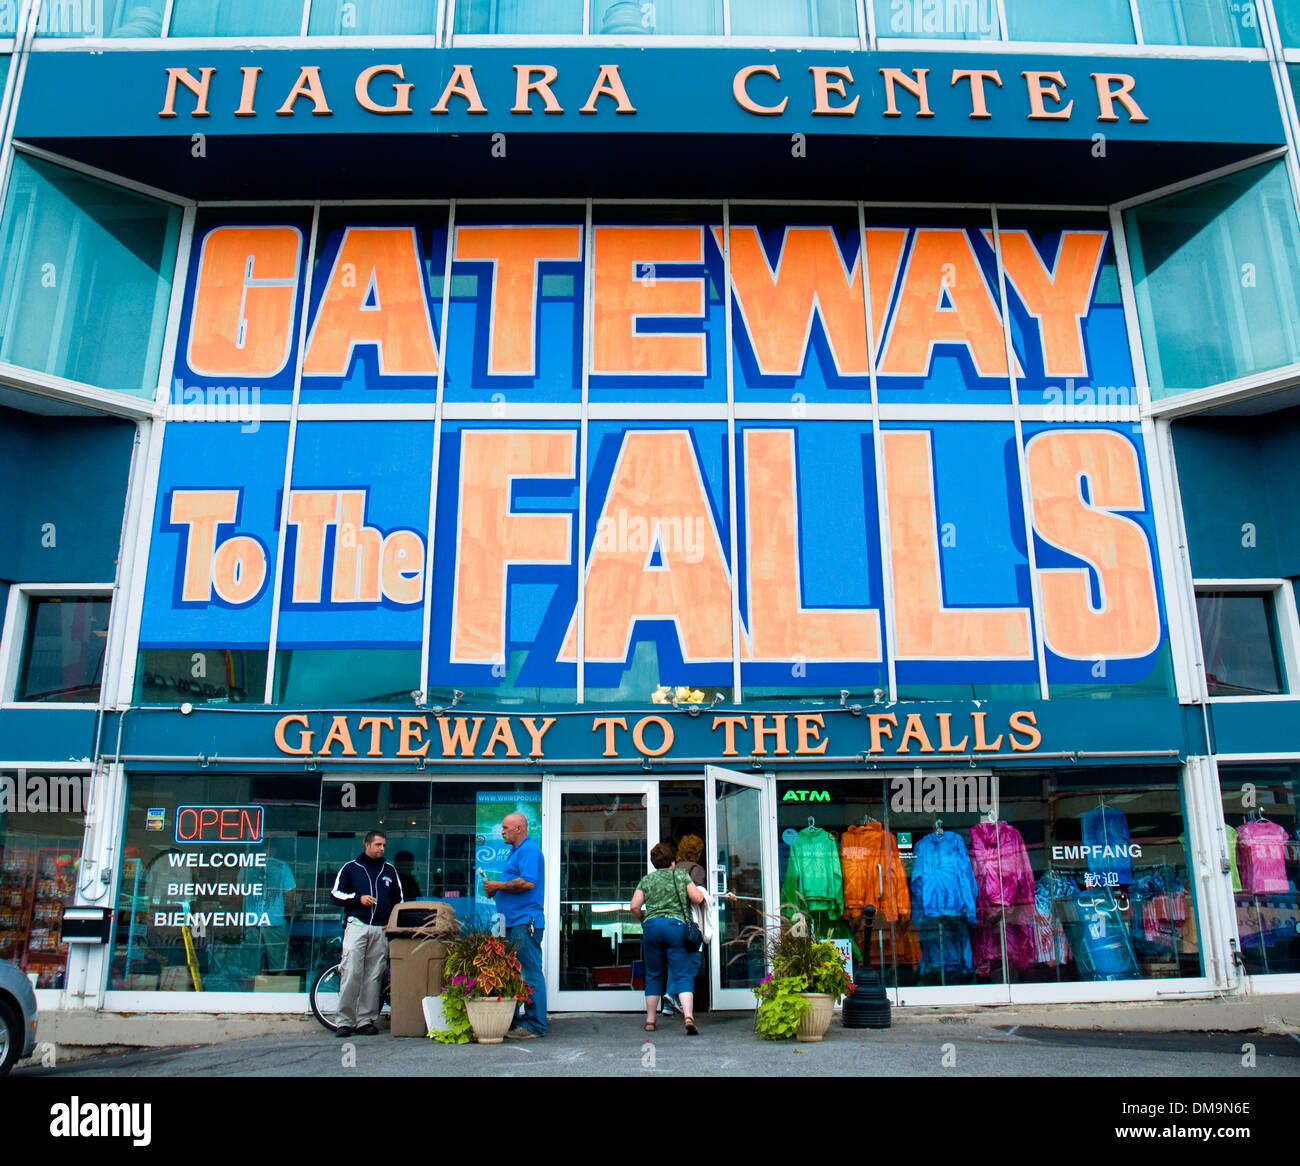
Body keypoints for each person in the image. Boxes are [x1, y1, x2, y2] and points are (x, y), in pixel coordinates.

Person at [330, 829, 404, 1038]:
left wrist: (392, 923)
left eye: (384, 845)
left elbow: (399, 900)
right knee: (351, 971)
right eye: (378, 845)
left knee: (373, 975)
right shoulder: (351, 868)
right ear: (367, 844)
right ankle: (344, 1021)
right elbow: (335, 895)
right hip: (358, 924)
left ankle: (366, 1020)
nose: (382, 849)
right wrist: (358, 899)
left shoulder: (389, 870)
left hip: (380, 928)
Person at [631, 841, 706, 1035]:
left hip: (652, 927)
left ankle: (650, 1020)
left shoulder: (647, 880)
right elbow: (697, 898)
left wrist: (644, 920)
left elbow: (634, 906)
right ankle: (688, 1016)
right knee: (681, 972)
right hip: (675, 927)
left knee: (654, 973)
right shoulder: (681, 875)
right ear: (673, 859)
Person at [482, 812, 546, 1038]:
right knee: (516, 973)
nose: (502, 831)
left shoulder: (528, 850)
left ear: (520, 828)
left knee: (529, 972)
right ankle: (517, 1021)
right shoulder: (516, 852)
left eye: (506, 828)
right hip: (513, 920)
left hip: (523, 920)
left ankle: (534, 1025)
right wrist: (497, 889)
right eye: (502, 827)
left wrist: (498, 885)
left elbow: (528, 882)